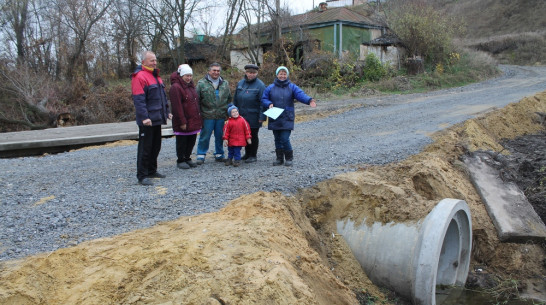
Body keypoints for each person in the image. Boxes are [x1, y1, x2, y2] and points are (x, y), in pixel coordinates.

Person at [131, 50, 173, 185]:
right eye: (151, 61)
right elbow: (139, 99)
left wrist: (167, 112)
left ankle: (152, 170)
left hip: (157, 118)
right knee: (145, 147)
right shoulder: (139, 76)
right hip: (147, 120)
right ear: (143, 62)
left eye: (155, 60)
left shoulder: (156, 76)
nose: (154, 63)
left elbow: (162, 98)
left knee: (156, 146)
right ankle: (142, 175)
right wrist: (144, 117)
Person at [261, 66, 316, 166]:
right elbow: (264, 99)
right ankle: (279, 159)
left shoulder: (292, 87)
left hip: (287, 117)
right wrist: (268, 103)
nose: (282, 76)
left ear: (287, 75)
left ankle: (289, 158)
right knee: (277, 138)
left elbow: (300, 95)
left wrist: (309, 100)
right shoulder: (270, 87)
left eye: (284, 74)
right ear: (277, 75)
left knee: (285, 138)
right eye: (281, 74)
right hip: (275, 117)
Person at [195, 62, 232, 164]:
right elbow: (196, 100)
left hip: (221, 115)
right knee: (205, 135)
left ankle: (219, 154)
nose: (216, 72)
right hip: (207, 115)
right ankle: (201, 155)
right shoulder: (201, 83)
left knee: (220, 135)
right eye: (214, 70)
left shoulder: (225, 83)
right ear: (209, 71)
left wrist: (228, 112)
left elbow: (229, 99)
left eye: (218, 70)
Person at [169, 64, 202, 169]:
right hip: (183, 120)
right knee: (182, 141)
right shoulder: (176, 87)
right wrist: (182, 121)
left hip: (193, 119)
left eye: (190, 76)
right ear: (181, 75)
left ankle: (187, 157)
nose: (189, 78)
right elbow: (177, 106)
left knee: (191, 140)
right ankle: (180, 159)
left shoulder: (191, 85)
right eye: (186, 76)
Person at [233, 64, 266, 163]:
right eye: (249, 72)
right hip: (242, 115)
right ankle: (247, 153)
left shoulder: (260, 85)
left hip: (254, 116)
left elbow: (263, 102)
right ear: (246, 72)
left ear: (256, 73)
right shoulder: (240, 83)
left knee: (252, 135)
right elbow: (235, 99)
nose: (251, 75)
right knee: (244, 135)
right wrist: (233, 112)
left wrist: (262, 116)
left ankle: (253, 155)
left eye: (253, 73)